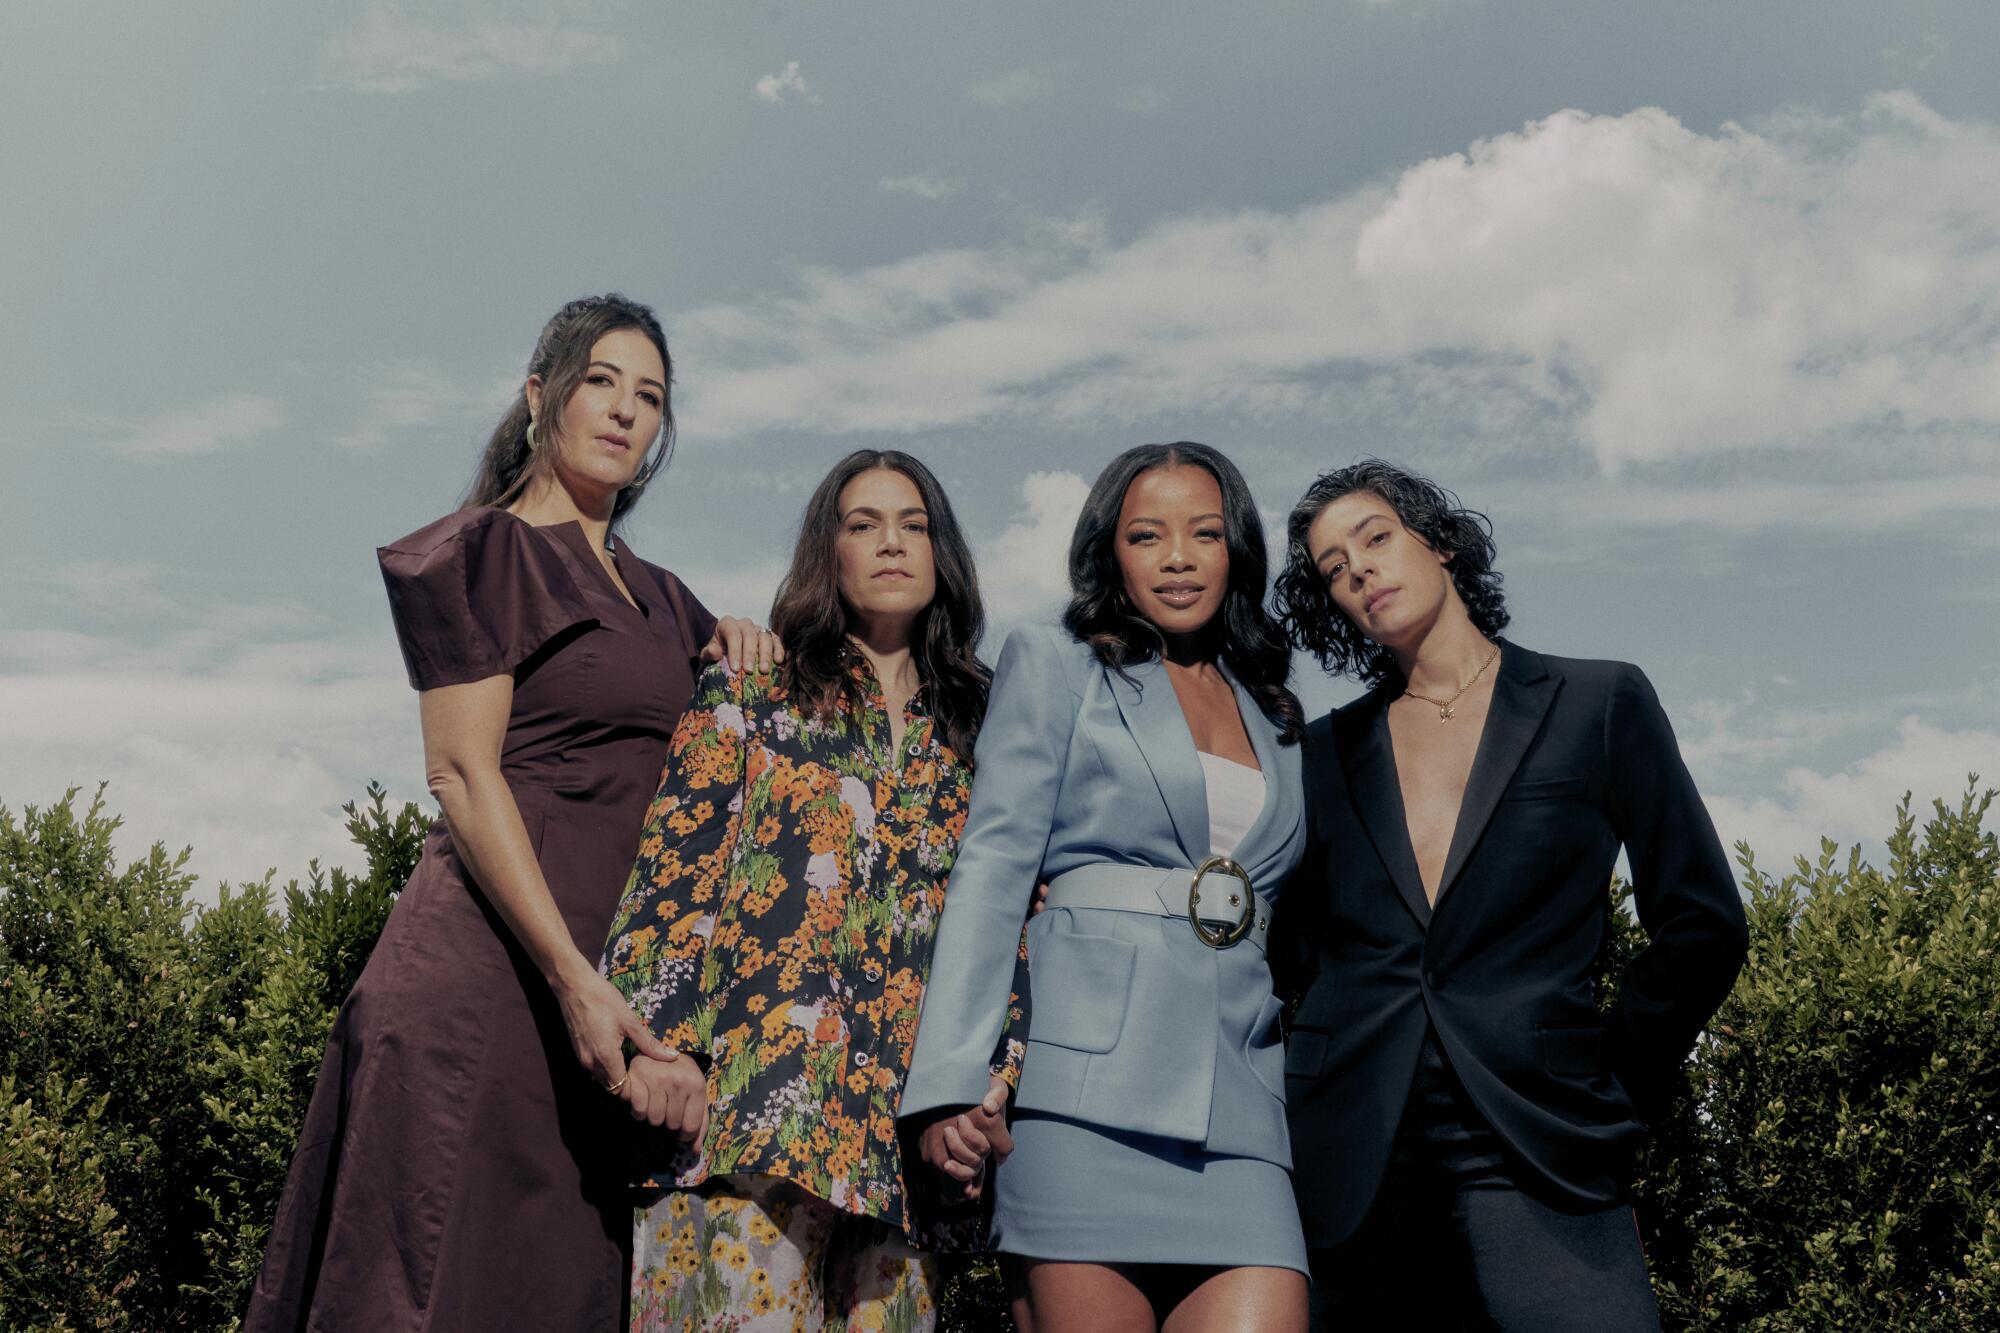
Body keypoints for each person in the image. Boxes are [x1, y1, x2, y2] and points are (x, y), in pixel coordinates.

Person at [246, 294, 776, 1331]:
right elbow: (459, 773)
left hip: (609, 1006)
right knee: (430, 1292)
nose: (625, 411)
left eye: (651, 397)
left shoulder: (667, 599)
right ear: (541, 396)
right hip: (489, 989)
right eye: (600, 382)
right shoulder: (480, 553)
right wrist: (574, 983)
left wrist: (742, 641)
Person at [1269, 459, 1749, 1331]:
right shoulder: (1322, 754)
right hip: (1356, 1148)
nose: (1360, 571)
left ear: (1441, 543)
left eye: (1375, 538)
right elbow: (1287, 950)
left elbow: (1703, 922)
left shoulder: (1598, 701)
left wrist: (1607, 1079)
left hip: (1541, 1136)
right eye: (1335, 569)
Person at [902, 442, 1310, 1333]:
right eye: (1146, 534)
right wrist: (947, 1084)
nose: (1176, 556)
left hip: (1243, 1103)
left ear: (1236, 547)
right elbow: (994, 867)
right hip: (1080, 1101)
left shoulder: (1276, 712)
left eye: (1204, 532)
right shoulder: (1056, 663)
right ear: (1109, 552)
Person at [601, 450, 1009, 1332]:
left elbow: (1012, 925)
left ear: (944, 554)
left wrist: (992, 1081)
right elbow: (670, 882)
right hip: (749, 1119)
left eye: (914, 524)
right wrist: (662, 1051)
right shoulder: (754, 687)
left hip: (906, 1150)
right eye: (862, 524)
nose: (891, 543)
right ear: (830, 551)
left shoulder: (985, 737)